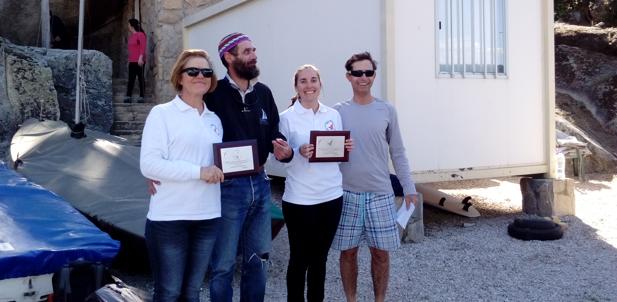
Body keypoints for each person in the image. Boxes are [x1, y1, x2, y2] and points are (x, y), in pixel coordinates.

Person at [206, 32, 293, 302]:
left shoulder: (263, 93)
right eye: (247, 51)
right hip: (226, 189)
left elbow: (275, 135)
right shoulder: (212, 94)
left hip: (261, 183)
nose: (254, 55)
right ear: (228, 57)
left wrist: (285, 151)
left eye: (254, 49)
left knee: (258, 260)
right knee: (223, 264)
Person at [331, 52, 419, 302]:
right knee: (347, 253)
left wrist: (409, 187)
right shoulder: (337, 112)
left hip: (380, 194)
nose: (363, 77)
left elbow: (398, 152)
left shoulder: (387, 110)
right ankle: (352, 299)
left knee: (381, 254)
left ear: (373, 76)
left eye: (368, 72)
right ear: (349, 77)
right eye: (358, 73)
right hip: (346, 194)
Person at [140, 49, 224, 301]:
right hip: (170, 218)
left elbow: (218, 163)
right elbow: (150, 165)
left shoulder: (214, 120)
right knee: (169, 292)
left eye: (206, 72)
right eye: (193, 71)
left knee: (192, 291)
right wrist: (199, 172)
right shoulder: (162, 114)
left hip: (208, 216)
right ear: (179, 77)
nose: (200, 76)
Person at [278, 65, 353, 302]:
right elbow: (279, 160)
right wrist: (296, 152)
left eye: (313, 80)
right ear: (296, 87)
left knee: (320, 260)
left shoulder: (333, 115)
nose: (309, 85)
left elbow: (336, 154)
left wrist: (344, 149)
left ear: (320, 84)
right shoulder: (285, 118)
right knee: (299, 260)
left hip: (331, 197)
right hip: (299, 200)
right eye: (303, 81)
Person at [125, 18, 147, 103]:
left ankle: (142, 96)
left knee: (140, 78)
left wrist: (141, 58)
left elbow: (143, 46)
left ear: (131, 25)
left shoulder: (140, 34)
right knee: (131, 79)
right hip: (132, 61)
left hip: (139, 61)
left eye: (128, 24)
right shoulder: (132, 36)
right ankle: (128, 96)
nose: (128, 26)